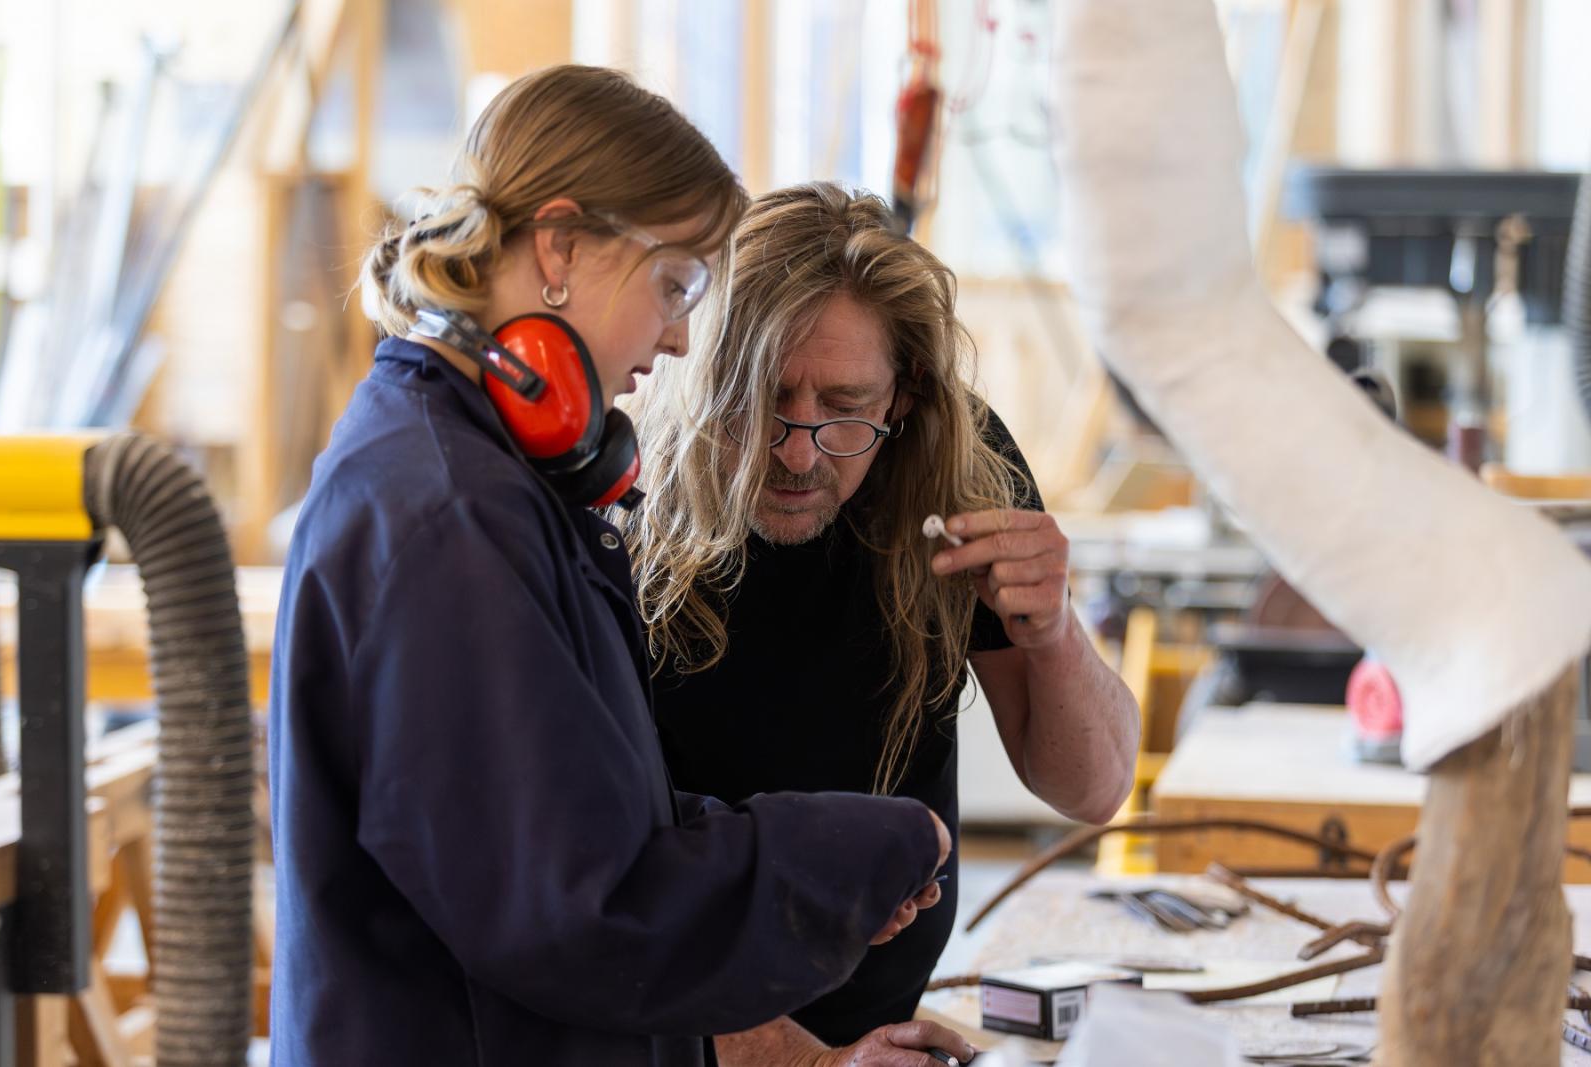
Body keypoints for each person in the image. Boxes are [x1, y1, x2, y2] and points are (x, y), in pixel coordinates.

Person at [268, 70, 973, 1067]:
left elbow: (582, 808)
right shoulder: (447, 515)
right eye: (676, 283)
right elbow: (576, 903)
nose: (681, 333)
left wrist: (846, 860)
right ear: (557, 245)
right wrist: (840, 857)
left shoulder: (488, 480)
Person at [623, 182, 1141, 1065]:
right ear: (705, 377)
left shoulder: (959, 467)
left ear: (901, 399)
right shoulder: (628, 516)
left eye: (844, 407)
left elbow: (1091, 790)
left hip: (884, 1029)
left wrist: (1050, 630)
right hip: (681, 1040)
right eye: (767, 401)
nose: (797, 450)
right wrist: (812, 1063)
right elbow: (607, 912)